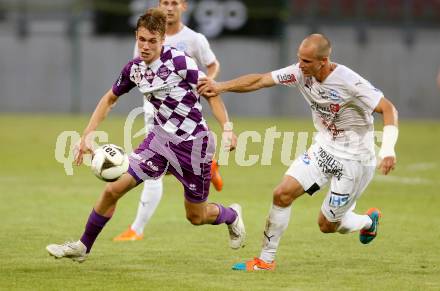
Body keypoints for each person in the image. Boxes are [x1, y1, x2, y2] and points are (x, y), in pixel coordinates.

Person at [46, 8, 245, 263]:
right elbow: (109, 99)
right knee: (113, 189)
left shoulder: (181, 62)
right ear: (136, 37)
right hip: (160, 142)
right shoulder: (134, 69)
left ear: (163, 40)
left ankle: (231, 215)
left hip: (194, 144)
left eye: (152, 41)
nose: (146, 46)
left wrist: (228, 128)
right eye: (142, 39)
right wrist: (87, 135)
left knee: (196, 216)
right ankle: (83, 246)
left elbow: (212, 93)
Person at [198, 33, 399, 271]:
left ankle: (367, 221)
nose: (299, 65)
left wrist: (387, 150)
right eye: (299, 59)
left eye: (306, 61)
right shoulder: (299, 73)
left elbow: (388, 109)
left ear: (323, 61)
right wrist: (221, 86)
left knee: (328, 225)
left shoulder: (350, 82)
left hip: (355, 160)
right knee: (282, 194)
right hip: (324, 148)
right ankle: (266, 260)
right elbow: (261, 80)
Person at [113, 0, 230, 242]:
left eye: (174, 2)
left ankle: (137, 228)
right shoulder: (148, 36)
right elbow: (138, 70)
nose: (169, 7)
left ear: (183, 6)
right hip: (154, 111)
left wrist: (207, 83)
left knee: (156, 166)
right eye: (165, 2)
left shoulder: (194, 39)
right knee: (152, 168)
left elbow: (213, 65)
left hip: (186, 112)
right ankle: (137, 228)